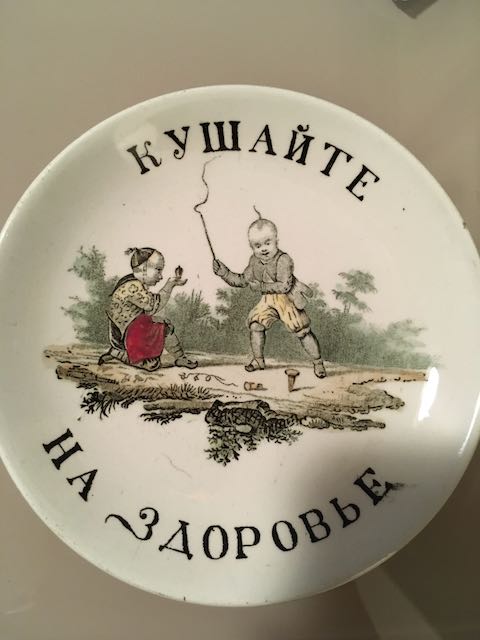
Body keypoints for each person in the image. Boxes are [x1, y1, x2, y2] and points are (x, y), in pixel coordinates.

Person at [213, 218, 326, 378]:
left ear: (276, 241)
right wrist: (224, 273)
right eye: (258, 245)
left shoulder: (284, 259)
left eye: (267, 243)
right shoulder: (254, 261)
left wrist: (260, 286)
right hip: (268, 300)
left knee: (302, 331)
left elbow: (284, 286)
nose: (263, 249)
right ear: (252, 247)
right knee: (256, 325)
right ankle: (258, 360)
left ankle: (318, 362)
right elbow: (242, 280)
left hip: (288, 299)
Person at [98, 247, 197, 371]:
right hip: (127, 337)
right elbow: (154, 305)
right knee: (152, 363)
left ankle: (180, 358)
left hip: (129, 331)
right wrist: (169, 285)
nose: (161, 277)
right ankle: (118, 354)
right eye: (158, 270)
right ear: (143, 269)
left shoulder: (130, 281)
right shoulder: (133, 287)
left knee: (164, 325)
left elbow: (146, 311)